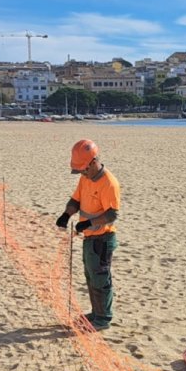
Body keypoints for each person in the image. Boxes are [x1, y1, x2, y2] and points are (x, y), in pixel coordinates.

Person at [54, 139, 121, 330]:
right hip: (89, 238)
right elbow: (75, 200)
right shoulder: (85, 178)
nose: (81, 173)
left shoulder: (109, 183)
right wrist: (66, 215)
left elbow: (111, 215)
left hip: (103, 239)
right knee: (91, 277)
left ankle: (103, 318)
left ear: (92, 162)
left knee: (101, 278)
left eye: (83, 169)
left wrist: (89, 223)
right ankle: (96, 312)